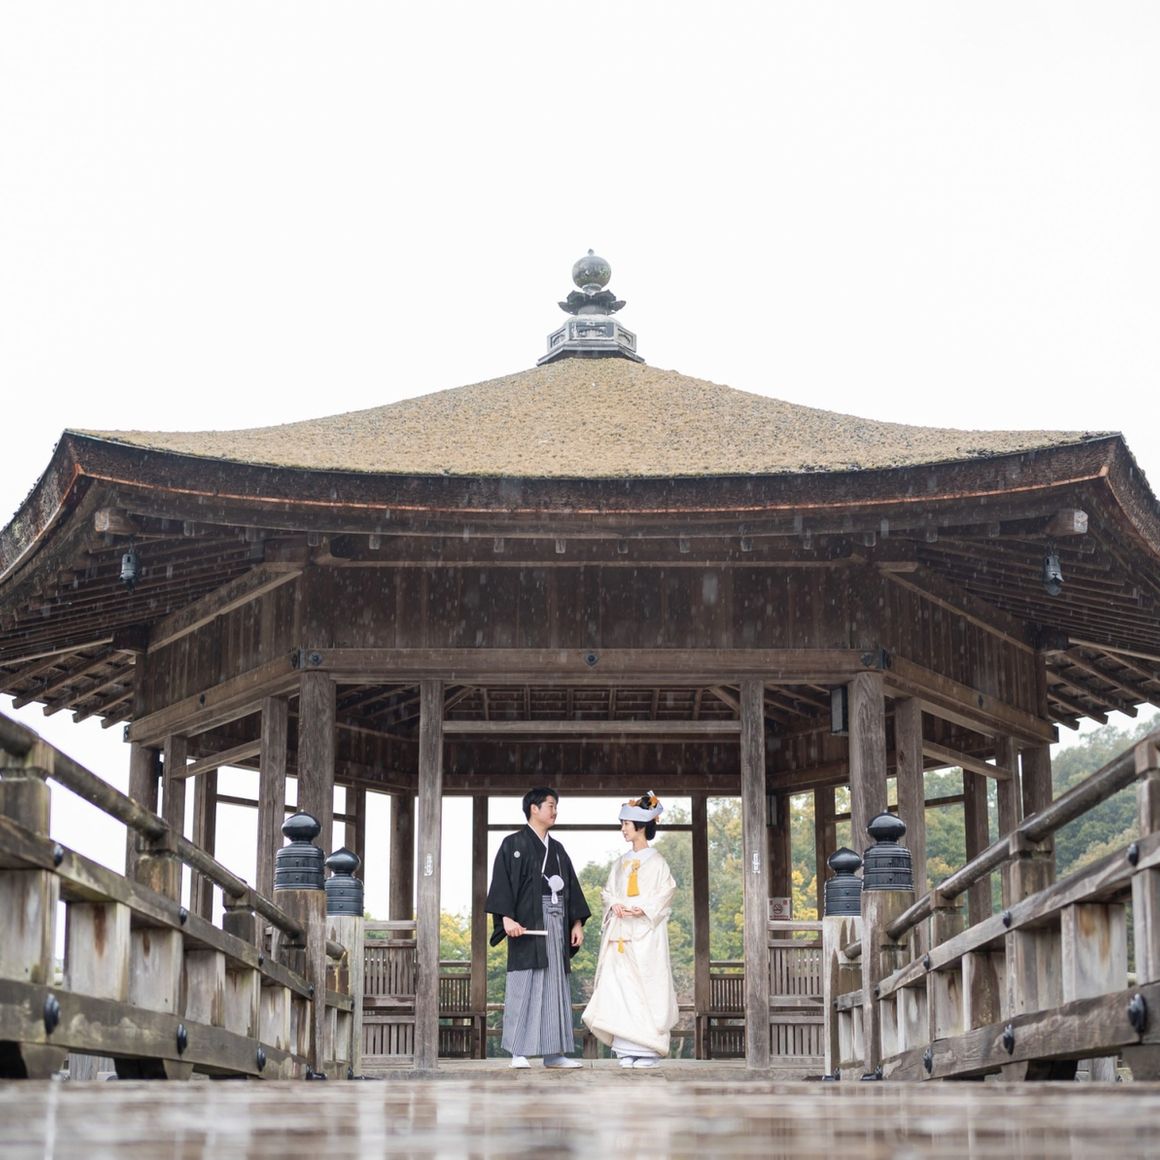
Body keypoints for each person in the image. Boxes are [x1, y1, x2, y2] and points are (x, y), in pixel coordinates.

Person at [485, 786, 591, 1069]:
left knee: (555, 985)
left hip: (556, 922)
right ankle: (518, 1051)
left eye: (555, 806)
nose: (555, 811)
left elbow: (571, 887)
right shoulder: (513, 844)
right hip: (526, 923)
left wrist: (576, 923)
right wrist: (505, 918)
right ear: (534, 808)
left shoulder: (557, 850)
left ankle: (554, 1053)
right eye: (551, 805)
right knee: (524, 983)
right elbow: (501, 884)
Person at [581, 791, 678, 1069]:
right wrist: (615, 904)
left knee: (647, 987)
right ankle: (625, 1049)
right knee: (619, 987)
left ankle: (648, 1049)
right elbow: (608, 892)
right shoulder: (620, 862)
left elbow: (666, 892)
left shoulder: (657, 862)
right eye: (622, 824)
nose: (623, 829)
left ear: (641, 826)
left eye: (626, 824)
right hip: (621, 933)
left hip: (646, 935)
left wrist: (642, 908)